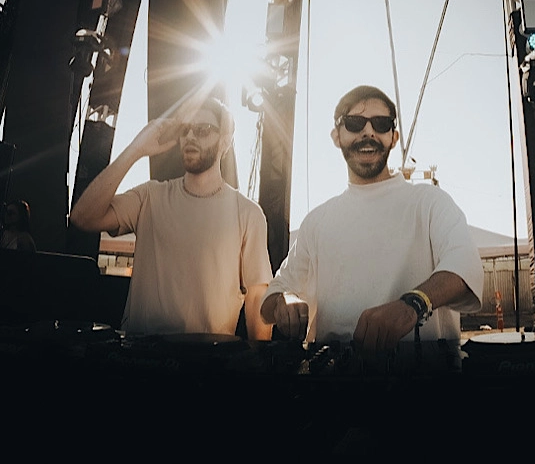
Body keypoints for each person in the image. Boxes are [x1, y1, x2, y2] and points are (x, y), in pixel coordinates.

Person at [260, 85, 483, 352]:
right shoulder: (317, 221)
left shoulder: (430, 202)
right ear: (336, 136)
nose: (368, 132)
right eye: (354, 123)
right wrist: (285, 300)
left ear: (393, 137)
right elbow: (270, 299)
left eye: (380, 124)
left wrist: (413, 304)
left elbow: (464, 265)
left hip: (422, 378)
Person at [70, 96, 272, 339]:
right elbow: (83, 217)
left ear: (225, 142)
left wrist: (257, 365)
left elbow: (257, 297)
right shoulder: (150, 196)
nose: (190, 137)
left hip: (206, 364)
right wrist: (136, 149)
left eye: (203, 130)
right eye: (185, 129)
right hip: (140, 358)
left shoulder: (248, 213)